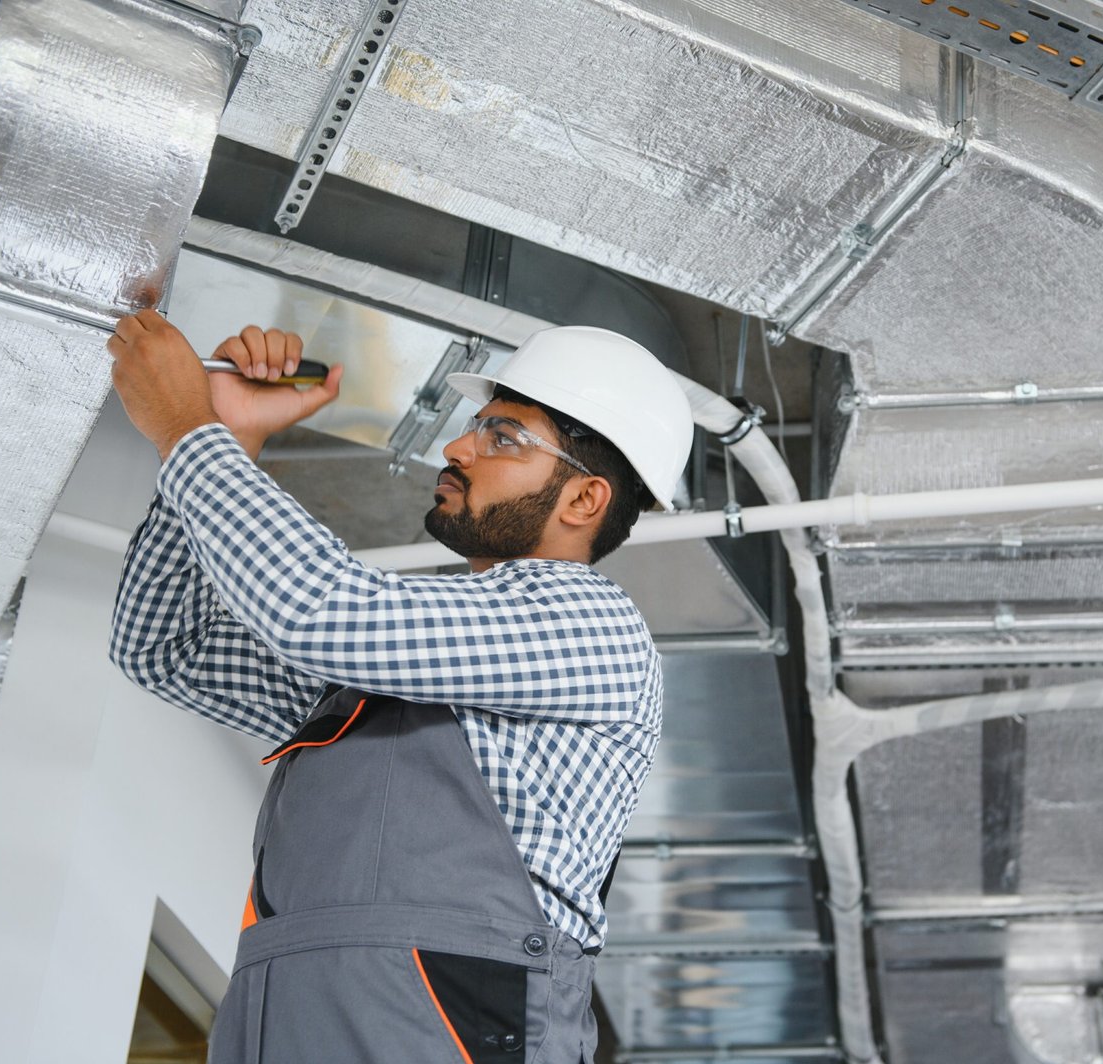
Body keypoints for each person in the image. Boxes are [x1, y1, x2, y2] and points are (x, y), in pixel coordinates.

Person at [105, 310, 693, 1063]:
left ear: (583, 501)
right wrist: (235, 437)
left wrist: (191, 432)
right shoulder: (371, 685)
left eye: (503, 437)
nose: (454, 448)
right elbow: (164, 649)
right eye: (475, 425)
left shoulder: (592, 624)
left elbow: (318, 608)